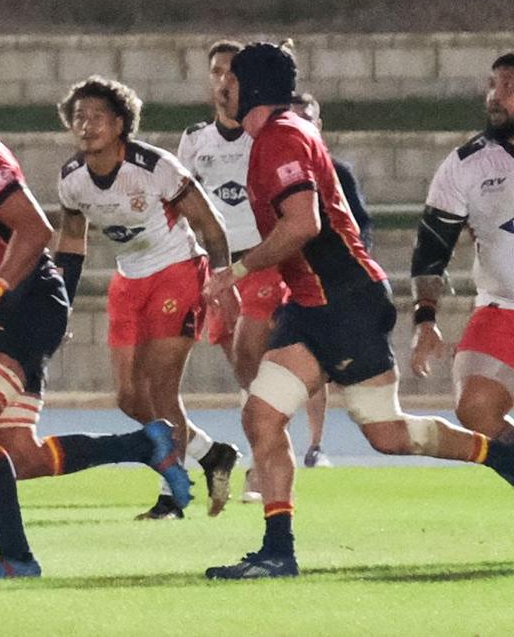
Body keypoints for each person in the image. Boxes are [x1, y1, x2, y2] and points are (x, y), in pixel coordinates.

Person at [202, 42, 514, 582]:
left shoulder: (280, 137)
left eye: (229, 75)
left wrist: (238, 270)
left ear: (248, 85)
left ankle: (502, 457)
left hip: (340, 301)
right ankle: (278, 551)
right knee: (266, 416)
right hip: (314, 301)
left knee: (385, 432)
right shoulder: (276, 136)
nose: (220, 84)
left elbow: (303, 224)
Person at [0, 57, 190, 582]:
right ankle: (146, 444)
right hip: (5, 297)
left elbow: (33, 231)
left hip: (28, 295)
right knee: (21, 457)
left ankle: (16, 559)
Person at [52, 76, 240, 520]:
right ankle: (211, 453)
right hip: (129, 279)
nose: (87, 125)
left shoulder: (155, 166)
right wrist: (60, 304)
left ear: (120, 124)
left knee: (159, 389)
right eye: (79, 116)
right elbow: (73, 242)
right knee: (128, 397)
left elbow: (210, 223)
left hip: (176, 271)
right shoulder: (72, 178)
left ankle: (171, 495)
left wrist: (220, 279)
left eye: (98, 116)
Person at [176, 39, 275, 502]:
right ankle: (257, 452)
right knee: (244, 370)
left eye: (232, 73)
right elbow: (181, 207)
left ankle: (262, 465)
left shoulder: (267, 135)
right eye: (216, 72)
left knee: (252, 357)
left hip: (261, 262)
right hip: (217, 269)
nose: (223, 81)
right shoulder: (195, 140)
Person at [409, 52, 514, 445]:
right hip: (503, 309)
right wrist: (424, 318)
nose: (494, 97)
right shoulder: (466, 165)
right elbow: (433, 248)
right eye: (493, 85)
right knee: (476, 409)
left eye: (508, 88)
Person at [285, 89, 373, 470]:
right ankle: (301, 446)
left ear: (318, 125)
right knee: (302, 363)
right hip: (287, 277)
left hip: (334, 281)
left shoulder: (338, 172)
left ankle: (321, 442)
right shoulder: (276, 169)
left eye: (308, 118)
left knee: (336, 367)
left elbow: (360, 227)